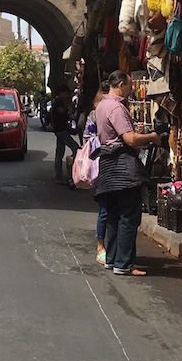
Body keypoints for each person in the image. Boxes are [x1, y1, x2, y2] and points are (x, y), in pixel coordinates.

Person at [94, 70, 163, 276]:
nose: (132, 90)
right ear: (121, 84)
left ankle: (113, 259)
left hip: (108, 164)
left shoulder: (102, 105)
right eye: (131, 86)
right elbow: (130, 139)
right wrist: (151, 136)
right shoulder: (116, 107)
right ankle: (124, 263)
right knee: (128, 215)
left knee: (114, 214)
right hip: (121, 166)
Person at [82, 81, 110, 264]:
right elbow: (87, 137)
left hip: (117, 164)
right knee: (105, 208)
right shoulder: (95, 114)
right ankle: (101, 245)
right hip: (102, 164)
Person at [51, 91, 80, 186]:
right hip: (61, 130)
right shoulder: (58, 103)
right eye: (66, 93)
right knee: (75, 148)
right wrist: (69, 112)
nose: (67, 96)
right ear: (61, 93)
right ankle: (75, 173)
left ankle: (58, 176)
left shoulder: (57, 102)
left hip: (60, 129)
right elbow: (62, 116)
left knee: (59, 152)